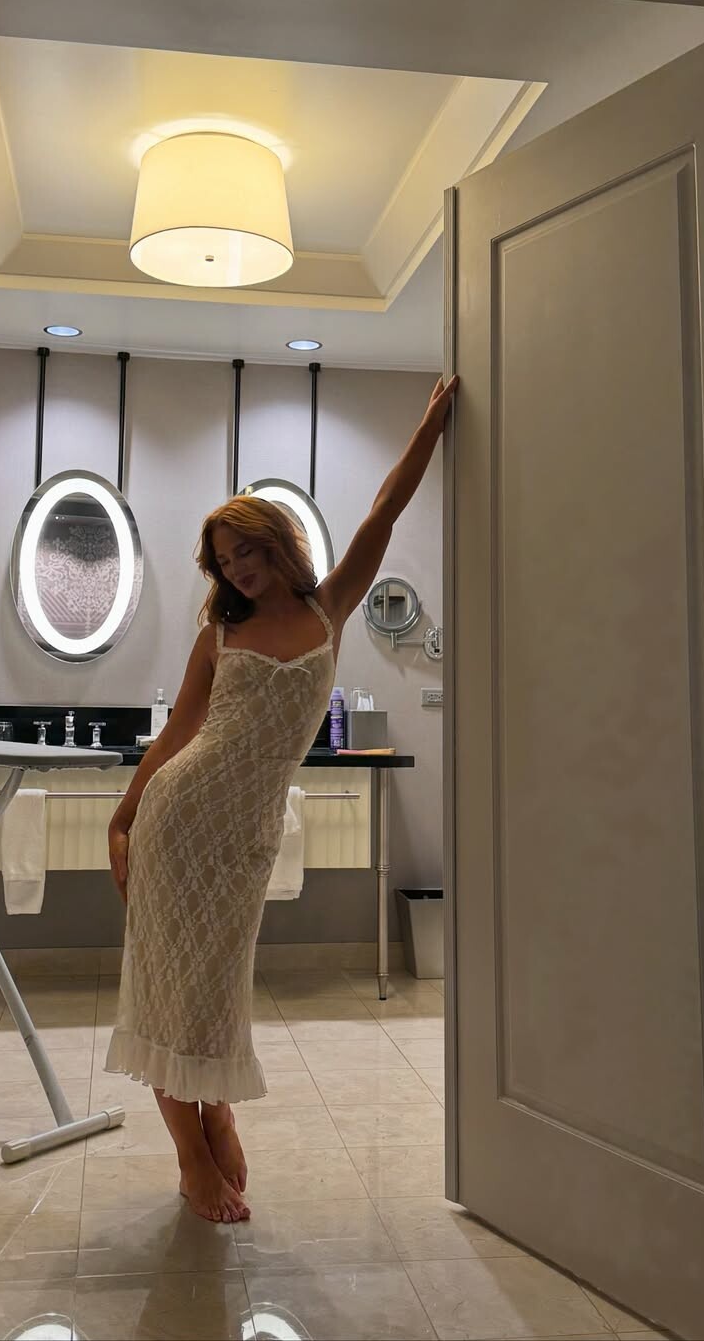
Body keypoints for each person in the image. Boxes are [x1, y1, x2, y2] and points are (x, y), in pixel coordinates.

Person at [105, 373, 458, 1224]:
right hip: (178, 819)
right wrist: (123, 816)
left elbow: (383, 512)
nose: (238, 569)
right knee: (166, 985)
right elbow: (177, 735)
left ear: (277, 544)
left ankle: (217, 1110)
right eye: (225, 561)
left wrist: (431, 425)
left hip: (246, 835)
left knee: (215, 985)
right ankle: (191, 1151)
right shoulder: (218, 635)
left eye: (247, 553)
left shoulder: (330, 609)